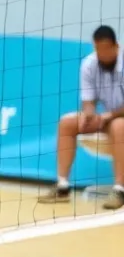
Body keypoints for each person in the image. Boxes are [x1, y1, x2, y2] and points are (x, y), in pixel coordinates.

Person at [37, 25, 124, 211]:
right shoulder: (89, 64)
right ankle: (62, 186)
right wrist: (88, 114)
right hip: (107, 118)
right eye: (98, 49)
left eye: (106, 49)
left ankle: (119, 190)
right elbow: (88, 100)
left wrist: (109, 115)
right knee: (67, 122)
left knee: (119, 125)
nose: (102, 54)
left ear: (116, 47)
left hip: (118, 118)